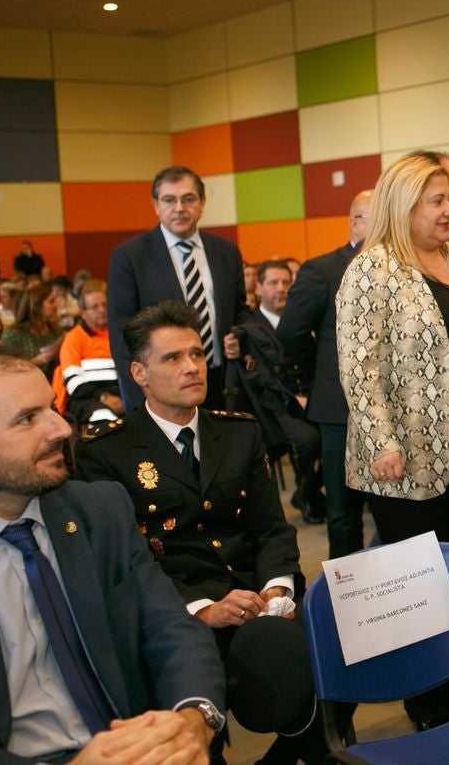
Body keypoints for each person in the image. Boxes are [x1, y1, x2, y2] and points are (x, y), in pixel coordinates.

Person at [0, 346, 226, 764]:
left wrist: (194, 719)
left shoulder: (98, 510)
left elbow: (171, 628)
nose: (60, 428)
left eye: (52, 408)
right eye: (27, 419)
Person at [75, 301, 328, 764]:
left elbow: (271, 528)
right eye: (172, 358)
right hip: (174, 615)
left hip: (255, 602)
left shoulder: (238, 434)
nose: (192, 367)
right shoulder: (106, 453)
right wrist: (203, 609)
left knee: (336, 657)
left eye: (196, 353)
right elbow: (126, 565)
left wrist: (277, 587)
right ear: (139, 373)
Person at [336, 154, 449, 731]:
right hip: (407, 457)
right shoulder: (374, 268)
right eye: (437, 200)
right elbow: (360, 366)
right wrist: (381, 441)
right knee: (423, 582)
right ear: (403, 206)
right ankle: (430, 700)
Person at [278, 189, 373, 558]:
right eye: (373, 218)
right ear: (354, 222)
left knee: (389, 509)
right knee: (344, 512)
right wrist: (322, 373)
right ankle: (349, 601)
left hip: (391, 408)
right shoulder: (323, 269)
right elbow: (291, 333)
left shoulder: (402, 267)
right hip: (339, 408)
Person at [107, 165, 247, 411]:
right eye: (169, 200)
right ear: (156, 205)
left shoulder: (226, 252)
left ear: (202, 203)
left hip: (220, 380)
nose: (179, 208)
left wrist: (239, 335)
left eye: (188, 199)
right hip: (162, 389)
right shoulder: (129, 256)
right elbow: (121, 333)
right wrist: (139, 396)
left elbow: (240, 310)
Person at [235, 260, 324, 524]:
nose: (281, 289)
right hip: (274, 405)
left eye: (286, 282)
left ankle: (307, 491)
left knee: (338, 437)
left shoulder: (302, 318)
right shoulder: (250, 327)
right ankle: (309, 496)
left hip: (308, 396)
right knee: (309, 441)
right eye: (273, 283)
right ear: (259, 288)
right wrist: (295, 397)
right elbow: (258, 375)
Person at [53, 279, 122, 426]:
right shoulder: (74, 338)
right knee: (105, 419)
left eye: (104, 304)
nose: (102, 310)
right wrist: (103, 397)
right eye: (95, 307)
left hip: (121, 394)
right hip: (88, 399)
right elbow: (73, 381)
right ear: (82, 313)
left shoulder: (118, 334)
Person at [2, 283, 64, 379]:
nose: (56, 305)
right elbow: (8, 371)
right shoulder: (13, 336)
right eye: (51, 301)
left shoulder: (56, 330)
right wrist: (37, 361)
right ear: (36, 306)